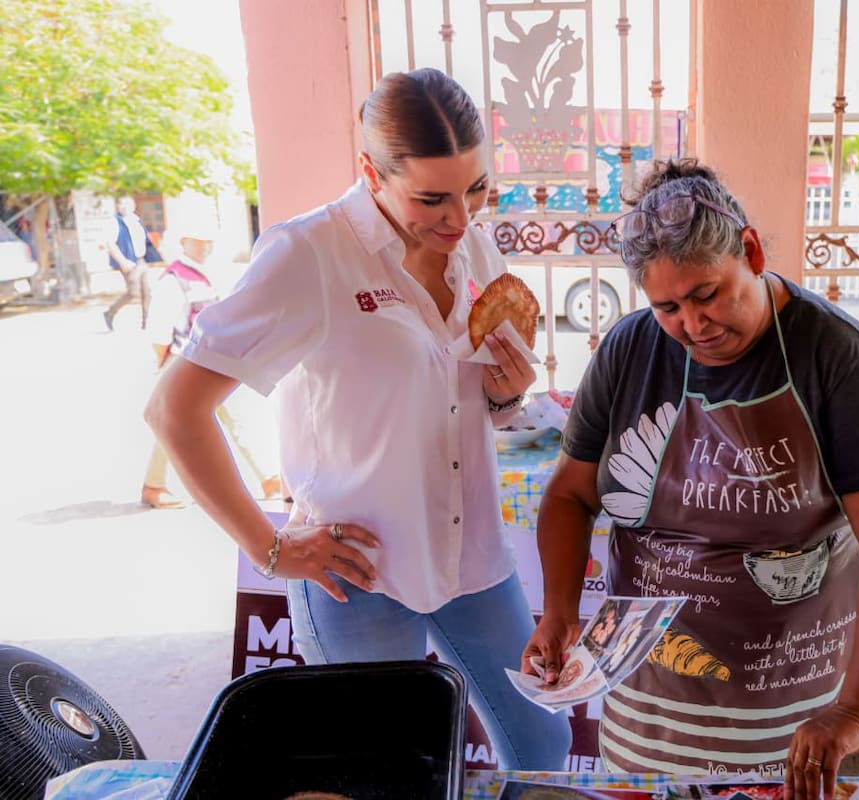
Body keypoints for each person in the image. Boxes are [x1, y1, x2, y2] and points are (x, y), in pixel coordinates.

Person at [144, 68, 571, 770]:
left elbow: (473, 400)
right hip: (357, 574)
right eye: (431, 198)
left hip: (476, 561)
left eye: (476, 188)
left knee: (542, 742)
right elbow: (173, 409)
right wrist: (270, 547)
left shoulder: (477, 250)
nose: (459, 218)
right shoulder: (307, 254)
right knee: (383, 770)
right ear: (371, 171)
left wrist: (503, 395)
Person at [522, 159, 859, 797]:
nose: (693, 325)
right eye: (667, 307)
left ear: (751, 250)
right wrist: (558, 613)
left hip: (784, 713)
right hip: (646, 706)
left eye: (708, 293)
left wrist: (852, 714)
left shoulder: (834, 356)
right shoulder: (629, 350)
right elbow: (572, 495)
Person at [140, 222, 282, 509]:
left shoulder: (203, 275)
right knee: (176, 418)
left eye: (208, 241)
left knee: (215, 417)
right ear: (184, 242)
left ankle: (269, 479)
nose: (205, 246)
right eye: (199, 240)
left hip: (208, 358)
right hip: (184, 359)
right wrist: (166, 362)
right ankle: (268, 479)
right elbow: (158, 330)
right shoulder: (173, 280)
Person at [104, 196, 162, 330]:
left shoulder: (136, 220)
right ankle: (110, 312)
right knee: (133, 292)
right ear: (118, 206)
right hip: (129, 261)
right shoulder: (115, 222)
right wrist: (122, 261)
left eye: (127, 204)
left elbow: (144, 240)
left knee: (147, 292)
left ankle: (146, 322)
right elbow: (110, 244)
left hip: (141, 260)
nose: (124, 206)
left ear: (133, 205)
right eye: (121, 203)